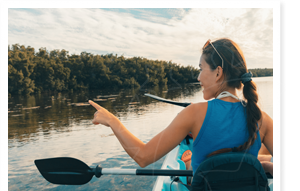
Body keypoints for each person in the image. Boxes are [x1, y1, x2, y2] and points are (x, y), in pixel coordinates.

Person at [88, 38, 273, 178]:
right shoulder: (262, 118)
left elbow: (143, 157)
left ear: (218, 72)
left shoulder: (193, 114)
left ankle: (189, 165)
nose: (198, 77)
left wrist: (112, 120)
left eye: (201, 69)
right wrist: (264, 165)